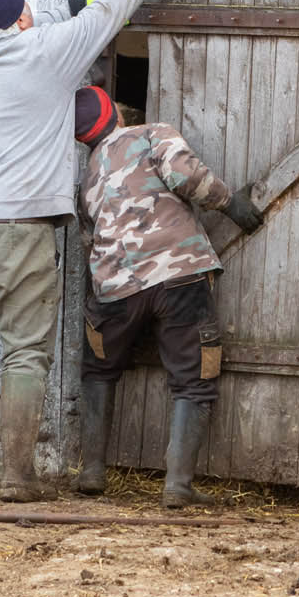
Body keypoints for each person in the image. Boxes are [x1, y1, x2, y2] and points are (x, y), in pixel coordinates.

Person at [0, 0, 155, 503]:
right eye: (29, 12)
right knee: (26, 352)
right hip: (18, 228)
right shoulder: (43, 51)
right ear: (19, 22)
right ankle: (18, 477)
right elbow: (112, 10)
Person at [70, 86, 263, 506]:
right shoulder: (152, 133)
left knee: (98, 371)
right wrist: (231, 204)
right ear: (116, 114)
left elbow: (89, 243)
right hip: (178, 277)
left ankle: (92, 471)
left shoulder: (86, 175)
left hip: (113, 291)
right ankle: (177, 486)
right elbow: (185, 176)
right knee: (195, 379)